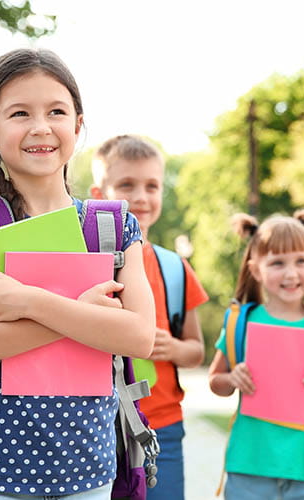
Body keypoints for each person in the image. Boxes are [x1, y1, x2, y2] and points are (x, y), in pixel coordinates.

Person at [0, 48, 156, 499]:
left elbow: (138, 337)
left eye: (56, 111)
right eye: (19, 113)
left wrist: (31, 303)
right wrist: (83, 316)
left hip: (90, 468)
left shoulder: (112, 227)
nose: (40, 127)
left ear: (77, 125)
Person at [208, 210, 304, 500]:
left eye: (301, 261)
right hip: (249, 468)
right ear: (256, 270)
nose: (291, 274)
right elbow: (216, 380)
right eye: (278, 263)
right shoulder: (240, 322)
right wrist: (232, 377)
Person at [90, 135, 208, 500]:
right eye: (127, 185)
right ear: (98, 194)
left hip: (162, 426)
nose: (140, 197)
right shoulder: (85, 263)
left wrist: (172, 346)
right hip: (98, 425)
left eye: (152, 186)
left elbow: (196, 352)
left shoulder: (175, 268)